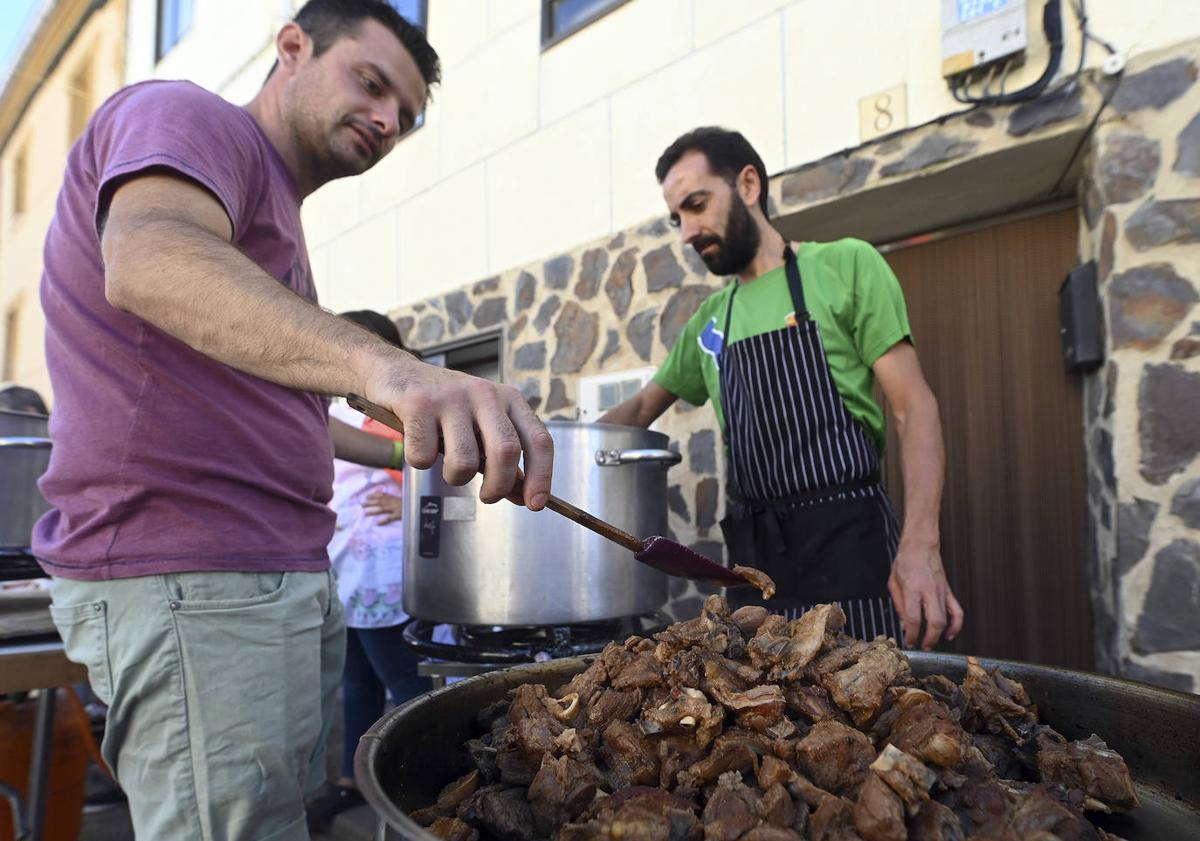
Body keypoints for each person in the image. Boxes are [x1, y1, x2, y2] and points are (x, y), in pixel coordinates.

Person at [34, 2, 553, 838]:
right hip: (195, 577)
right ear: (292, 47)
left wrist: (415, 445)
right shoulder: (186, 115)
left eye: (406, 116)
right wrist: (391, 364)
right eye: (372, 83)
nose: (387, 121)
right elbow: (149, 257)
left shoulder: (273, 214)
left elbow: (291, 422)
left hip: (270, 573)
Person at [600, 127, 962, 650]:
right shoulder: (710, 321)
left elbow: (914, 407)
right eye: (677, 218)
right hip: (757, 571)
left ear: (748, 184)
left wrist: (921, 544)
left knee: (865, 710)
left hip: (850, 551)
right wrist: (538, 439)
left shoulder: (845, 265)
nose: (686, 231)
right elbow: (638, 409)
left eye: (697, 205)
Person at [306, 310, 428, 832]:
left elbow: (446, 479)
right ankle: (355, 781)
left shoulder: (404, 409)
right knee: (355, 681)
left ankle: (423, 780)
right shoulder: (338, 410)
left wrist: (407, 505)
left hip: (384, 574)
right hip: (343, 570)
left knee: (402, 681)